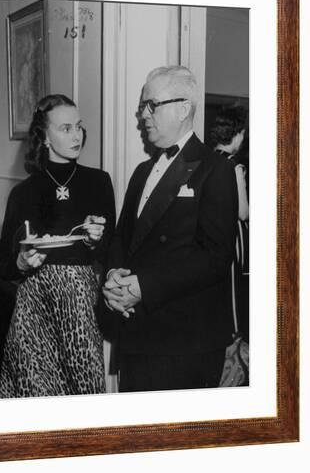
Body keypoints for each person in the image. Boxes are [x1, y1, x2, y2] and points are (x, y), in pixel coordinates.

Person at [98, 66, 238, 392]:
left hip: (184, 342)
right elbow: (123, 237)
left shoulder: (216, 169)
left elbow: (215, 257)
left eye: (151, 105)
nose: (143, 116)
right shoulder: (142, 171)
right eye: (142, 107)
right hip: (135, 331)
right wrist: (113, 278)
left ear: (183, 108)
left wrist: (143, 286)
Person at [0, 94, 116, 398]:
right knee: (32, 399)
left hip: (80, 305)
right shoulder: (24, 192)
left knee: (83, 397)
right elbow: (5, 263)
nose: (77, 135)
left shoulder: (99, 182)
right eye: (65, 128)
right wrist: (22, 262)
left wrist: (94, 241)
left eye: (79, 127)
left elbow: (112, 251)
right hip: (34, 307)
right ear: (45, 136)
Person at [210, 107, 249, 341]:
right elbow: (243, 212)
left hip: (211, 237)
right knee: (234, 292)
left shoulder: (207, 161)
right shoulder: (234, 166)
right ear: (237, 134)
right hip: (231, 240)